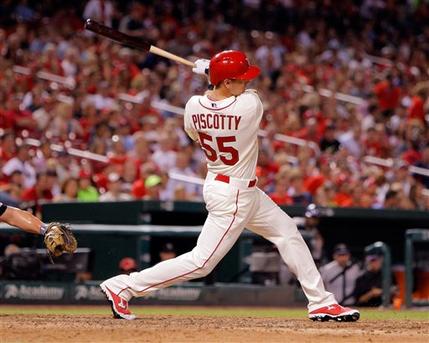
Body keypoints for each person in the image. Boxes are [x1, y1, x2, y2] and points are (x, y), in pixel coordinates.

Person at [100, 50, 360, 322]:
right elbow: (251, 94)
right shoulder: (249, 106)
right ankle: (123, 286)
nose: (245, 83)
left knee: (287, 232)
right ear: (226, 82)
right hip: (234, 193)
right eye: (239, 79)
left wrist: (211, 74)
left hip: (227, 184)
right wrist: (207, 70)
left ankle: (320, 301)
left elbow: (199, 121)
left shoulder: (192, 106)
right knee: (201, 262)